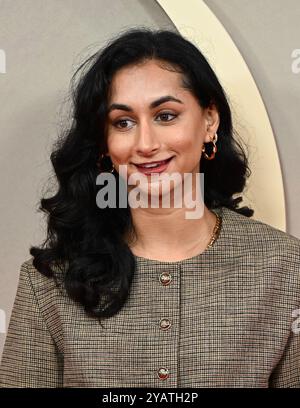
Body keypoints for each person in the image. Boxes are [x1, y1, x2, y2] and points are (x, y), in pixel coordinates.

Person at [0, 27, 299, 388]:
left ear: (209, 121)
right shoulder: (49, 281)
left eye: (166, 116)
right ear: (103, 143)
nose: (145, 143)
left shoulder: (285, 268)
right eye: (123, 122)